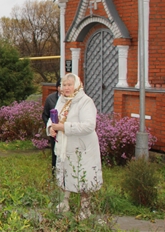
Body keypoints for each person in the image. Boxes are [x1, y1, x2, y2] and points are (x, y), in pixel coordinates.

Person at [47, 73, 103, 220]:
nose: (66, 88)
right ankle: (64, 202)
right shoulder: (62, 101)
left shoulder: (85, 102)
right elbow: (52, 119)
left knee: (84, 177)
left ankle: (85, 208)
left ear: (77, 85)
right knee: (65, 174)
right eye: (64, 85)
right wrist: (51, 129)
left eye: (69, 85)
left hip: (82, 147)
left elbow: (89, 126)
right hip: (66, 146)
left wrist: (63, 127)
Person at [42, 78, 61, 174]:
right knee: (55, 152)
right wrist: (49, 127)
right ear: (57, 87)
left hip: (65, 131)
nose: (64, 88)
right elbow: (45, 115)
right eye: (61, 86)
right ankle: (54, 173)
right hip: (54, 132)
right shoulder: (50, 99)